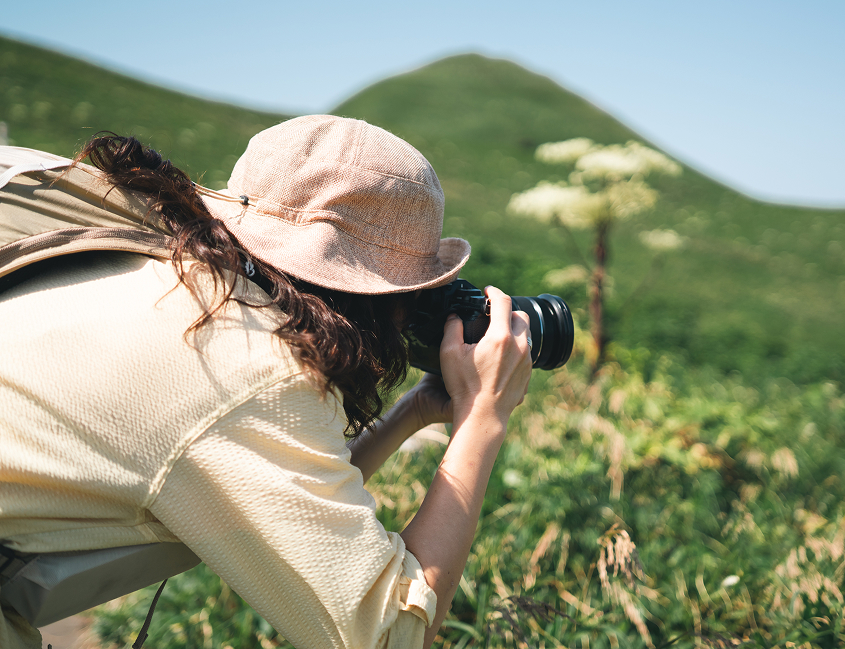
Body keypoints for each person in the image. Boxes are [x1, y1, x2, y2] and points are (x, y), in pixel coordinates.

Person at [0, 115, 533, 649]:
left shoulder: (179, 281)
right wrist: (483, 414)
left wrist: (412, 411)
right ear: (372, 298)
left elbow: (281, 495)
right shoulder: (242, 360)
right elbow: (386, 636)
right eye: (411, 294)